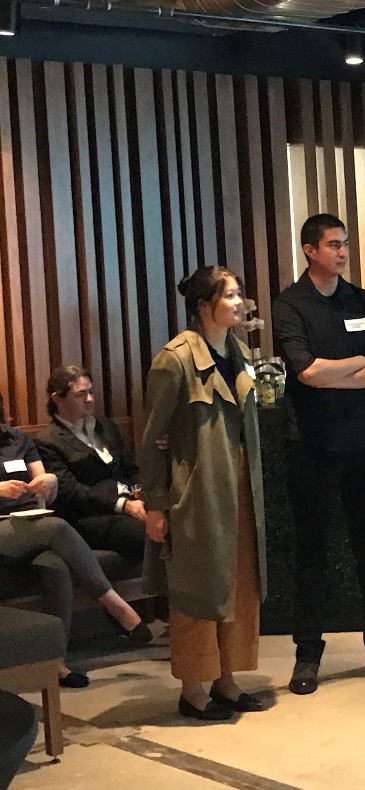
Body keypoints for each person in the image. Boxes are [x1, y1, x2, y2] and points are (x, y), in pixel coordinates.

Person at [272, 213, 365, 695]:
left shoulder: (362, 301)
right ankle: (307, 656)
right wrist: (355, 364)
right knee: (312, 553)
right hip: (311, 444)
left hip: (362, 442)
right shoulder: (290, 304)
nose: (342, 252)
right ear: (309, 250)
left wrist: (337, 374)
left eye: (345, 243)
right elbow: (305, 372)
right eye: (333, 244)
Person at [138, 266, 267, 721]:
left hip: (241, 486)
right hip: (196, 491)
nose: (239, 302)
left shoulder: (239, 351)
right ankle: (193, 690)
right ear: (203, 306)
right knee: (197, 589)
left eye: (238, 293)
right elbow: (150, 438)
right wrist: (155, 505)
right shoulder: (174, 360)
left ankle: (226, 681)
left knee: (238, 584)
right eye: (229, 295)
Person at [0, 395, 151, 689]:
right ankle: (117, 607)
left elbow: (46, 482)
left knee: (55, 565)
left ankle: (55, 662)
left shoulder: (18, 439)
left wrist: (49, 482)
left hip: (31, 520)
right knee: (57, 527)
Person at [36, 365, 146, 565]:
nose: (90, 399)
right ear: (57, 399)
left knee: (177, 519)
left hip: (131, 503)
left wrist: (140, 490)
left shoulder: (105, 426)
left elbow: (130, 468)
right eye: (81, 394)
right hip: (92, 517)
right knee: (148, 532)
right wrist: (123, 505)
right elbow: (71, 492)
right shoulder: (48, 441)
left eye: (91, 392)